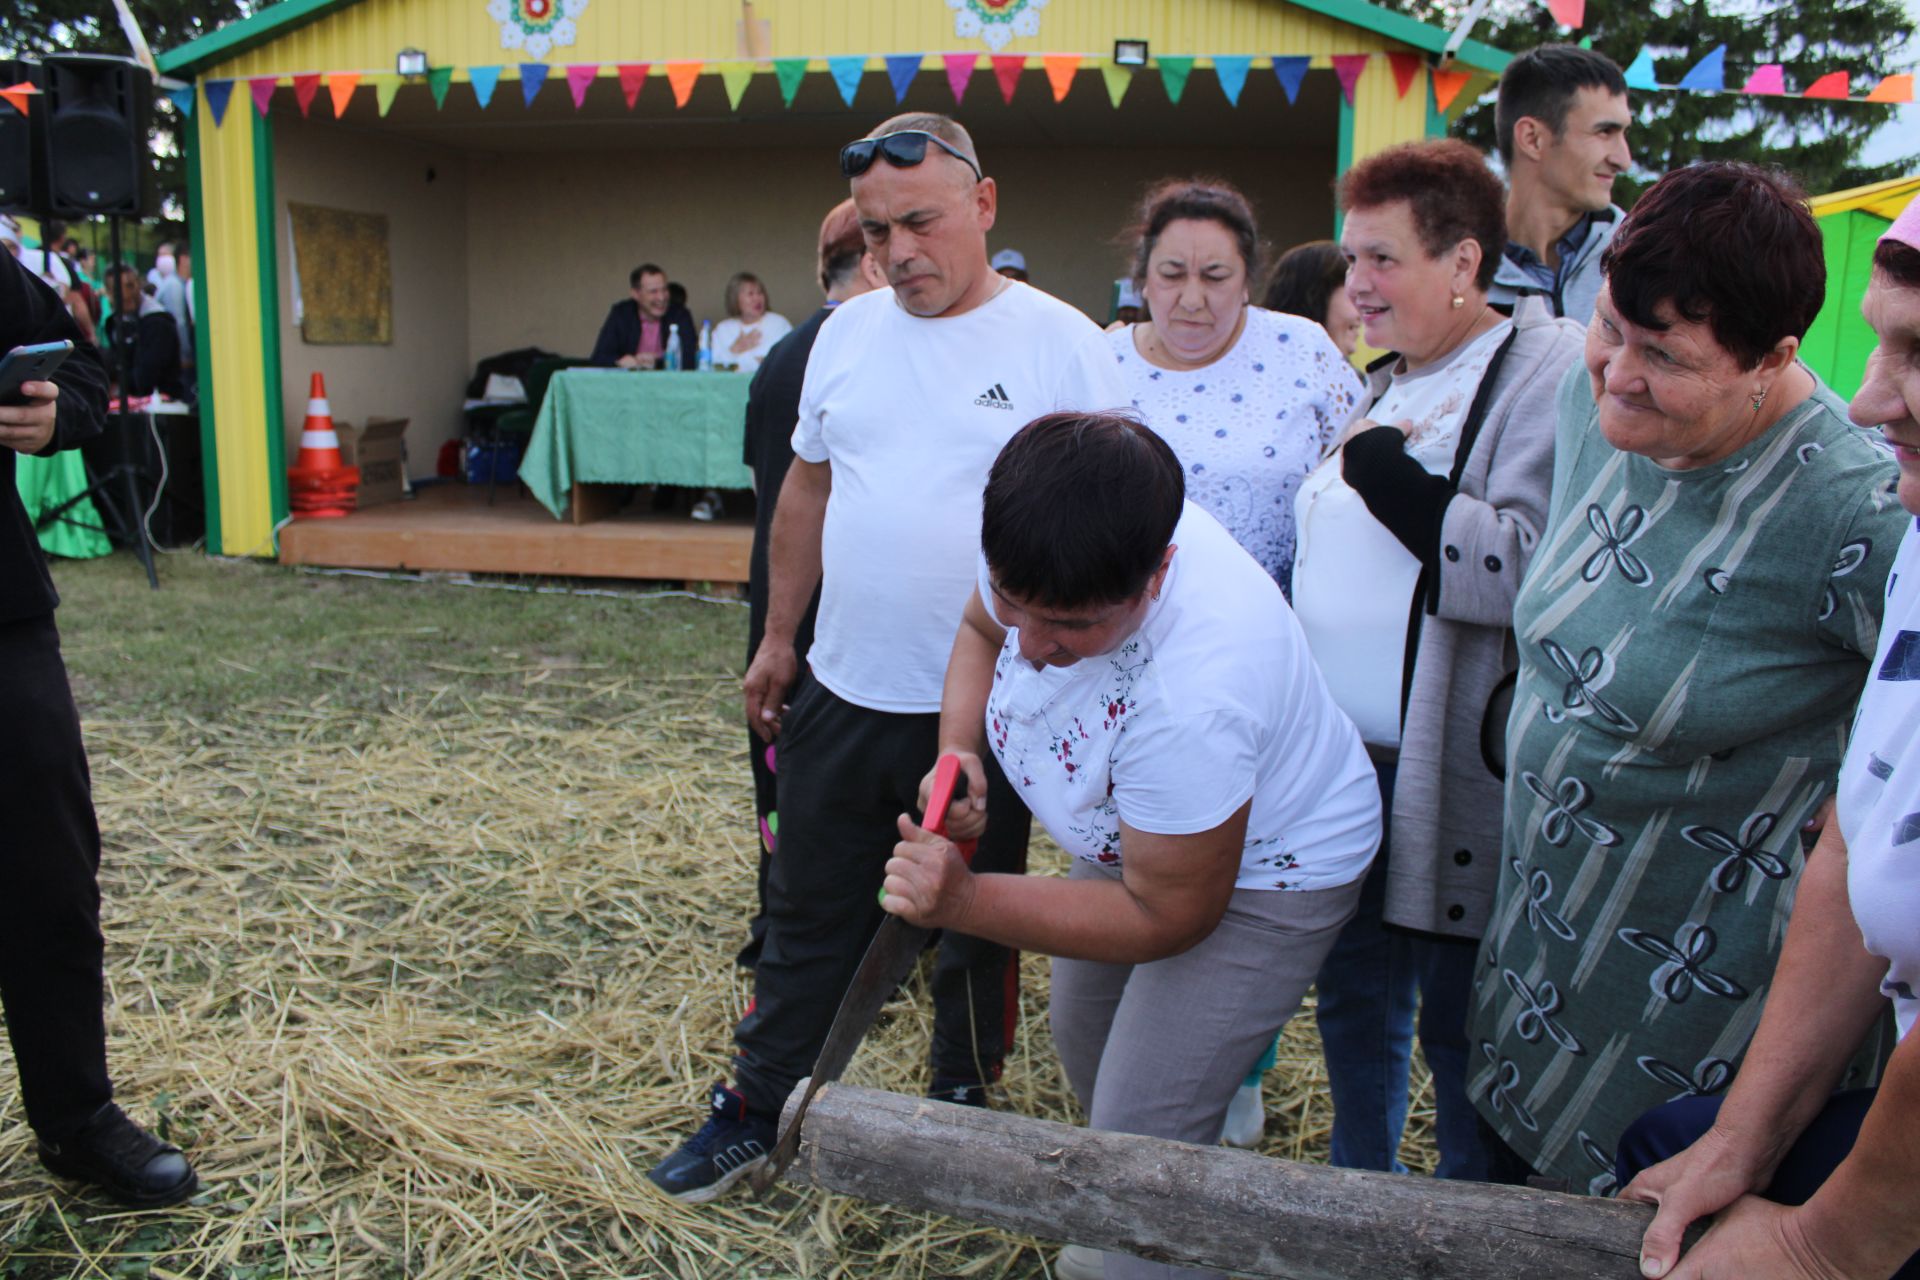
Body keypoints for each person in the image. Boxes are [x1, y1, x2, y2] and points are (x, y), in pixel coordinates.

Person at [647, 111, 1128, 1204]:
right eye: (875, 232)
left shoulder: (1063, 344)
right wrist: (780, 636)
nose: (898, 251)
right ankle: (759, 1105)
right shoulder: (843, 337)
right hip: (844, 683)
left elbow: (1114, 525)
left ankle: (959, 1099)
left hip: (1002, 701)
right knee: (808, 900)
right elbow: (806, 489)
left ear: (985, 205)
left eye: (920, 222)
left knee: (975, 913)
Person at [1467, 161, 1908, 1192]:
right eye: (1612, 327)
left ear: (1774, 357)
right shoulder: (1602, 412)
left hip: (1697, 1022)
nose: (1619, 370)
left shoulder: (1862, 514)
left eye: (1665, 354)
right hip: (1535, 961)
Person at [881, 413, 1381, 1280]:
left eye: (1068, 625)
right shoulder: (1048, 534)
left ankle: (1147, 1243)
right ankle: (1198, 1125)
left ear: (1158, 575)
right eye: (1019, 606)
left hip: (1270, 869)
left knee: (1134, 1144)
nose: (1031, 647)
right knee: (1086, 1037)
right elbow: (978, 628)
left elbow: (1168, 912)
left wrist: (965, 901)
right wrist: (958, 750)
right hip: (1137, 838)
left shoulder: (1198, 691)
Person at [1607, 198, 1920, 1280]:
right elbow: (1862, 828)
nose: (1874, 397)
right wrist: (1746, 1136)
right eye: (1884, 337)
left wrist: (1823, 1243)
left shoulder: (1856, 508)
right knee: (1664, 1147)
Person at [1289, 139, 1586, 1181]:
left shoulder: (1542, 369)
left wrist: (1388, 478)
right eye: (1350, 259)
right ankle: (1360, 1198)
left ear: (1464, 263)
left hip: (1450, 767)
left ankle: (1472, 1224)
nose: (1356, 285)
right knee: (1356, 1002)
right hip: (1343, 757)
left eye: (1381, 260)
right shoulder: (1385, 379)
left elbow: (1534, 566)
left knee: (1461, 1027)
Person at [0, 254, 199, 1208]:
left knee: (49, 876)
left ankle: (76, 1122)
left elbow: (79, 363)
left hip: (1, 621)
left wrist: (55, 416)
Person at [736, 199, 887, 971]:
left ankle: (778, 927)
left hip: (778, 600)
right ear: (870, 261)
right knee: (840, 798)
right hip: (835, 614)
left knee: (784, 782)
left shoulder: (779, 355)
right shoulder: (862, 352)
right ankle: (833, 949)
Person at [1106, 179, 1364, 600]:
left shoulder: (1303, 348)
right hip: (1130, 639)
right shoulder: (1101, 361)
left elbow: (1357, 479)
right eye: (1172, 275)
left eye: (1215, 277)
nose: (1192, 298)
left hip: (1279, 626)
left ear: (1247, 280)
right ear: (1143, 279)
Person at [1487, 45, 1631, 323]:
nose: (1623, 160)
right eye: (1604, 132)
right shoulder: (1451, 277)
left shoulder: (1645, 262)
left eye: (1624, 133)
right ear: (1532, 139)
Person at [101, 266, 190, 404]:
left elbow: (146, 377)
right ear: (108, 293)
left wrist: (120, 384)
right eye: (117, 289)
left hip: (161, 405)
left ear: (139, 285)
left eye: (129, 286)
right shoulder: (113, 324)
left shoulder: (158, 323)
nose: (124, 294)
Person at [1263, 240, 1361, 360]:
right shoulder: (1259, 373)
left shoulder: (1350, 377)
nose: (1361, 312)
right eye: (1351, 295)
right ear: (1314, 299)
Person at [588, 263, 698, 370]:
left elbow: (690, 359)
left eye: (664, 290)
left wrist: (657, 362)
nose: (661, 298)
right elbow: (599, 358)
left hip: (669, 384)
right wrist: (620, 362)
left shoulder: (679, 314)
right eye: (653, 291)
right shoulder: (622, 314)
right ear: (635, 294)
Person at [711, 271, 792, 375]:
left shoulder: (779, 323)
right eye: (750, 294)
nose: (757, 299)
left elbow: (786, 360)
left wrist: (741, 362)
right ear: (735, 299)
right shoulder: (723, 329)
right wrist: (736, 349)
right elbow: (715, 366)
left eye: (760, 293)